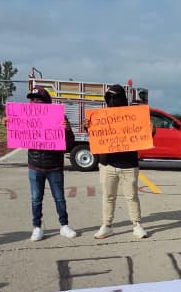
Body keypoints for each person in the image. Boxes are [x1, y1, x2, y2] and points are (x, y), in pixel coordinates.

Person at [90, 83, 149, 240]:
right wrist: (89, 126)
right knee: (108, 196)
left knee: (132, 196)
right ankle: (107, 226)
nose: (112, 100)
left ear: (123, 98)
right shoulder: (102, 117)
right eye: (109, 97)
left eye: (115, 97)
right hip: (107, 164)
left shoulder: (134, 115)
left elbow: (145, 134)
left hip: (129, 164)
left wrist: (151, 130)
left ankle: (137, 224)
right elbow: (96, 137)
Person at [23, 89, 77, 242]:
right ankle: (37, 227)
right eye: (32, 99)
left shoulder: (60, 117)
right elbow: (18, 135)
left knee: (59, 198)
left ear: (46, 101)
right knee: (36, 199)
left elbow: (69, 144)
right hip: (35, 166)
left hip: (55, 166)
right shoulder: (27, 117)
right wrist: (10, 123)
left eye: (38, 99)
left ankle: (64, 225)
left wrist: (66, 130)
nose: (34, 102)